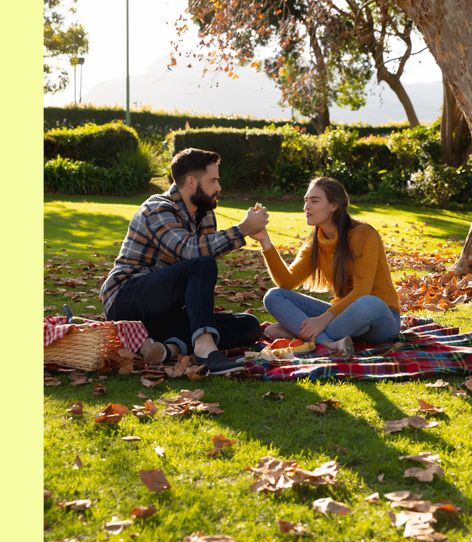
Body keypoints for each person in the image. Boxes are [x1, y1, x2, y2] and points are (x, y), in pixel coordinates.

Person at [99, 147, 269, 375]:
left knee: (248, 325)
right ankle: (204, 349)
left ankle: (167, 348)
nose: (218, 187)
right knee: (202, 261)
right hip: (127, 301)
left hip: (164, 311)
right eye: (213, 181)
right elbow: (190, 251)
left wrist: (248, 231)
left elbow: (204, 258)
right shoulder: (157, 208)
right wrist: (243, 229)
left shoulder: (204, 213)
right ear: (191, 181)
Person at [253, 176, 401, 356]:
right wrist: (265, 241)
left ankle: (297, 333)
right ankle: (330, 344)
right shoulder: (316, 242)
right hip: (342, 318)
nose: (306, 207)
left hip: (381, 318)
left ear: (334, 205)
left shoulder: (364, 235)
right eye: (306, 200)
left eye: (314, 201)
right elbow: (287, 282)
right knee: (274, 295)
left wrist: (322, 320)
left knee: (369, 303)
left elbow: (363, 290)